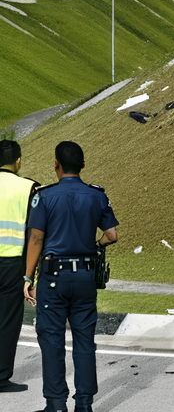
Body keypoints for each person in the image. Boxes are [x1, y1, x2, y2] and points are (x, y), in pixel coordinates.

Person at [23, 142, 118, 412]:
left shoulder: (45, 196)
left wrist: (28, 277)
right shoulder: (97, 195)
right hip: (86, 276)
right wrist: (95, 246)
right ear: (83, 166)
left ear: (56, 165)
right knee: (84, 341)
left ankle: (55, 404)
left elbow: (36, 239)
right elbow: (111, 235)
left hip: (53, 278)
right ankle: (84, 404)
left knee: (52, 340)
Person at [0, 139, 36, 394]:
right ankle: (1, 377)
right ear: (18, 161)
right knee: (8, 319)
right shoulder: (30, 188)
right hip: (12, 263)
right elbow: (36, 231)